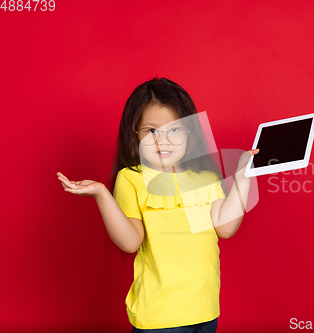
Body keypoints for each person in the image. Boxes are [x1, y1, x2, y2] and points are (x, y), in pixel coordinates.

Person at [56, 77, 259, 333]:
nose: (163, 141)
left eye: (175, 129)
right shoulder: (132, 178)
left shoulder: (204, 177)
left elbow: (225, 228)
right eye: (151, 130)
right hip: (159, 317)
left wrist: (243, 176)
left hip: (205, 310)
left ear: (190, 132)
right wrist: (102, 195)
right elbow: (130, 242)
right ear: (135, 133)